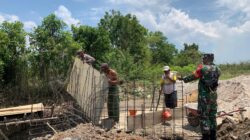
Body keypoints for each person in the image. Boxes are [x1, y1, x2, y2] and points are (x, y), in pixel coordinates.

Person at [179, 53, 220, 140]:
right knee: (212, 116)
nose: (203, 59)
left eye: (204, 58)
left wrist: (184, 79)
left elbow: (193, 76)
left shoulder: (202, 68)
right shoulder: (218, 69)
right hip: (213, 96)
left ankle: (205, 137)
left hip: (204, 97)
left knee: (204, 116)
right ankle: (213, 136)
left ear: (208, 59)